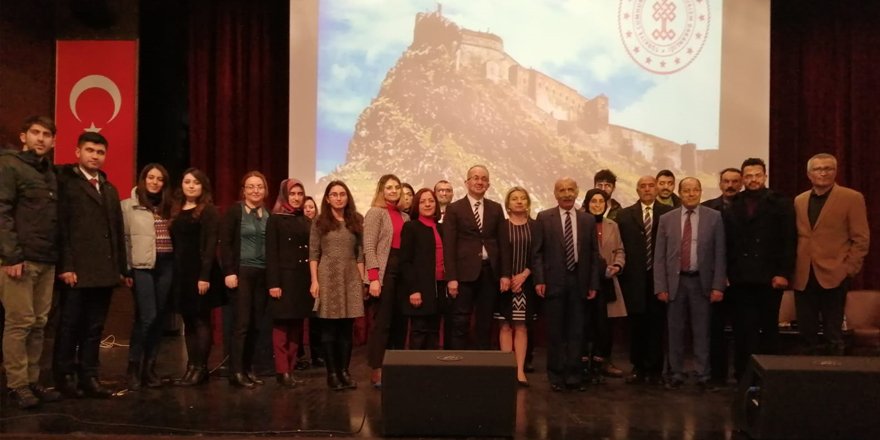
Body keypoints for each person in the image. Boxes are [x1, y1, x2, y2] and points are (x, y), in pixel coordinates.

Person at [54, 132, 128, 399]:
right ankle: (65, 376)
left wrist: (121, 268)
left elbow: (116, 231)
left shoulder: (109, 188)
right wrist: (66, 265)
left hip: (105, 271)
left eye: (99, 152)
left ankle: (89, 376)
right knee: (70, 325)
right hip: (76, 271)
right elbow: (62, 229)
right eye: (89, 150)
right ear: (77, 152)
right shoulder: (67, 184)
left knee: (95, 328)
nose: (94, 156)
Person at [0, 116, 62, 408]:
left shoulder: (49, 171)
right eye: (35, 133)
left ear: (53, 141)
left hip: (46, 259)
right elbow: (2, 212)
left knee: (38, 324)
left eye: (46, 134)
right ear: (23, 136)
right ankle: (17, 384)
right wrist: (11, 255)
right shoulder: (10, 165)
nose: (41, 138)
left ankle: (33, 380)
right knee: (19, 322)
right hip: (19, 261)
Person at [722, 158, 795, 381]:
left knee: (768, 328)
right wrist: (724, 273)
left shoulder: (780, 202)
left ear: (764, 176)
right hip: (739, 278)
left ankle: (770, 375)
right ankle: (743, 375)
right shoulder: (733, 203)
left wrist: (783, 273)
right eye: (748, 176)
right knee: (743, 329)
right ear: (743, 179)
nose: (753, 180)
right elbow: (727, 242)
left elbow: (789, 240)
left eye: (757, 175)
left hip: (769, 277)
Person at [793, 153, 869, 355]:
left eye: (828, 168)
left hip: (835, 274)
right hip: (803, 275)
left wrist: (848, 269)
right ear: (809, 174)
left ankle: (834, 381)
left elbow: (861, 238)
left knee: (833, 334)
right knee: (805, 333)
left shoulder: (851, 198)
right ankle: (806, 380)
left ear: (835, 172)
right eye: (818, 169)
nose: (823, 173)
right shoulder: (799, 200)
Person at [654, 177, 726, 389]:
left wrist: (718, 286)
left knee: (702, 331)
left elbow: (720, 253)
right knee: (674, 331)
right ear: (680, 192)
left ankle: (703, 374)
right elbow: (659, 256)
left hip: (701, 283)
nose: (691, 194)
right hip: (675, 283)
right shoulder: (667, 219)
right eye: (686, 190)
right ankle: (675, 372)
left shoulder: (714, 217)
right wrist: (661, 287)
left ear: (701, 192)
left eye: (695, 190)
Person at [533, 177, 600, 392]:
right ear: (555, 193)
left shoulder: (588, 220)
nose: (567, 193)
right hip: (553, 282)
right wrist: (540, 279)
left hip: (579, 282)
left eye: (571, 189)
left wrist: (593, 283)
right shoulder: (544, 218)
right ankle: (555, 375)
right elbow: (537, 253)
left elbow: (593, 254)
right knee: (555, 332)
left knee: (577, 332)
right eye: (562, 190)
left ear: (577, 191)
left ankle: (574, 375)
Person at [121, 163, 175, 390]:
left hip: (166, 266)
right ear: (143, 179)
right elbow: (123, 239)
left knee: (160, 318)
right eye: (151, 178)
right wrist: (126, 270)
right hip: (142, 267)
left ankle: (149, 368)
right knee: (147, 316)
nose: (154, 182)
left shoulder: (168, 206)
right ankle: (133, 366)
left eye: (159, 179)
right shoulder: (128, 206)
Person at [616, 176, 673, 385]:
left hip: (659, 278)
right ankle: (638, 367)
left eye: (651, 185)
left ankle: (656, 370)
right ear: (637, 190)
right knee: (637, 325)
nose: (647, 189)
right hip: (634, 279)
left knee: (657, 325)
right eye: (643, 186)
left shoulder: (668, 214)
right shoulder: (623, 215)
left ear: (657, 188)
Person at [442, 165, 506, 350]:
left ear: (488, 184)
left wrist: (505, 274)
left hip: (489, 273)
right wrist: (451, 278)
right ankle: (459, 364)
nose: (479, 182)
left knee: (485, 323)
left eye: (484, 179)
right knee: (460, 321)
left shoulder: (496, 208)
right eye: (475, 178)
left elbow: (503, 244)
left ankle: (482, 367)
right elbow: (449, 246)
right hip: (463, 275)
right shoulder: (455, 209)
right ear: (467, 182)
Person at [309, 180, 365, 390]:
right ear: (327, 198)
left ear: (347, 197)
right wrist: (314, 281)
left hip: (350, 276)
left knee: (346, 329)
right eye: (334, 194)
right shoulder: (319, 222)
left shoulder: (356, 220)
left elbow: (360, 255)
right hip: (327, 275)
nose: (339, 197)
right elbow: (314, 254)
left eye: (342, 194)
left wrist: (361, 281)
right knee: (329, 328)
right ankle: (332, 373)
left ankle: (344, 371)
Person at [169, 168, 223, 386]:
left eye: (196, 183)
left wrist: (204, 276)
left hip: (201, 272)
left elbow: (210, 246)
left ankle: (201, 368)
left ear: (203, 187)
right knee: (188, 321)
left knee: (201, 320)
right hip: (181, 273)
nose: (191, 186)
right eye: (187, 181)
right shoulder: (176, 209)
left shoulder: (208, 211)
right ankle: (191, 366)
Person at [219, 171, 271, 388]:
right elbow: (226, 244)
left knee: (256, 325)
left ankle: (248, 369)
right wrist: (229, 272)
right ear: (244, 190)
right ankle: (236, 371)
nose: (255, 190)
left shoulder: (268, 215)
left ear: (265, 190)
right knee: (241, 324)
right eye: (251, 186)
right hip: (242, 272)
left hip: (262, 274)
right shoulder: (235, 211)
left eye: (259, 186)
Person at [265, 178, 314, 388]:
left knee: (296, 326)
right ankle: (282, 370)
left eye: (299, 194)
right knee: (282, 326)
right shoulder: (275, 219)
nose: (296, 198)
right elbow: (271, 253)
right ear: (285, 195)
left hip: (301, 279)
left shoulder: (306, 220)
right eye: (293, 194)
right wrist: (274, 283)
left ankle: (291, 370)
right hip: (283, 279)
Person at [363, 174, 409, 387]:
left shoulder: (405, 216)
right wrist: (373, 278)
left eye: (396, 187)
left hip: (402, 271)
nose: (393, 191)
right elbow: (369, 247)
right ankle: (378, 369)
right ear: (381, 190)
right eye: (389, 187)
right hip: (384, 271)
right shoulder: (375, 213)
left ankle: (396, 366)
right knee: (382, 323)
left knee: (400, 322)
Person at [495, 187, 540, 387]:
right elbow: (497, 254)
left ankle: (520, 370)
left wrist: (524, 275)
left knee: (521, 326)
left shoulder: (535, 226)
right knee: (505, 325)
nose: (519, 201)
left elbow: (539, 254)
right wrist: (508, 277)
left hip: (526, 283)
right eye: (514, 198)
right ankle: (507, 370)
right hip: (505, 282)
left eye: (523, 198)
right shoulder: (501, 226)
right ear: (508, 203)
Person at [702, 167, 742, 384]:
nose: (730, 185)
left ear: (741, 183)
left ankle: (741, 375)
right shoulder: (707, 208)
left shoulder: (749, 208)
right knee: (714, 330)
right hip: (713, 280)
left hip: (742, 280)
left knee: (742, 330)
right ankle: (716, 376)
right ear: (720, 183)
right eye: (726, 181)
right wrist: (719, 276)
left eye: (735, 181)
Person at [582, 188, 626, 380]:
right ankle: (583, 362)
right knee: (585, 324)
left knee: (604, 325)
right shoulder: (580, 223)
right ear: (587, 204)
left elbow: (620, 250)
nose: (597, 205)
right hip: (585, 282)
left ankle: (603, 362)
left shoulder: (612, 225)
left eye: (601, 202)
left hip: (607, 281)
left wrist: (617, 265)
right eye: (593, 201)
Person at [399, 188, 445, 350]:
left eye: (431, 201)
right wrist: (414, 290)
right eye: (423, 201)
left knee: (434, 332)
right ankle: (416, 373)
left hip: (439, 288)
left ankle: (432, 373)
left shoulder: (442, 228)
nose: (427, 204)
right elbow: (405, 262)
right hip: (419, 289)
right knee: (419, 332)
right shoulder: (411, 227)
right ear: (416, 205)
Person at [295, 195, 323, 370]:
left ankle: (318, 355)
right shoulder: (296, 226)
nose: (308, 210)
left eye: (311, 207)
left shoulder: (321, 226)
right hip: (298, 275)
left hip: (318, 276)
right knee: (297, 317)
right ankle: (298, 356)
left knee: (316, 318)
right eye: (305, 207)